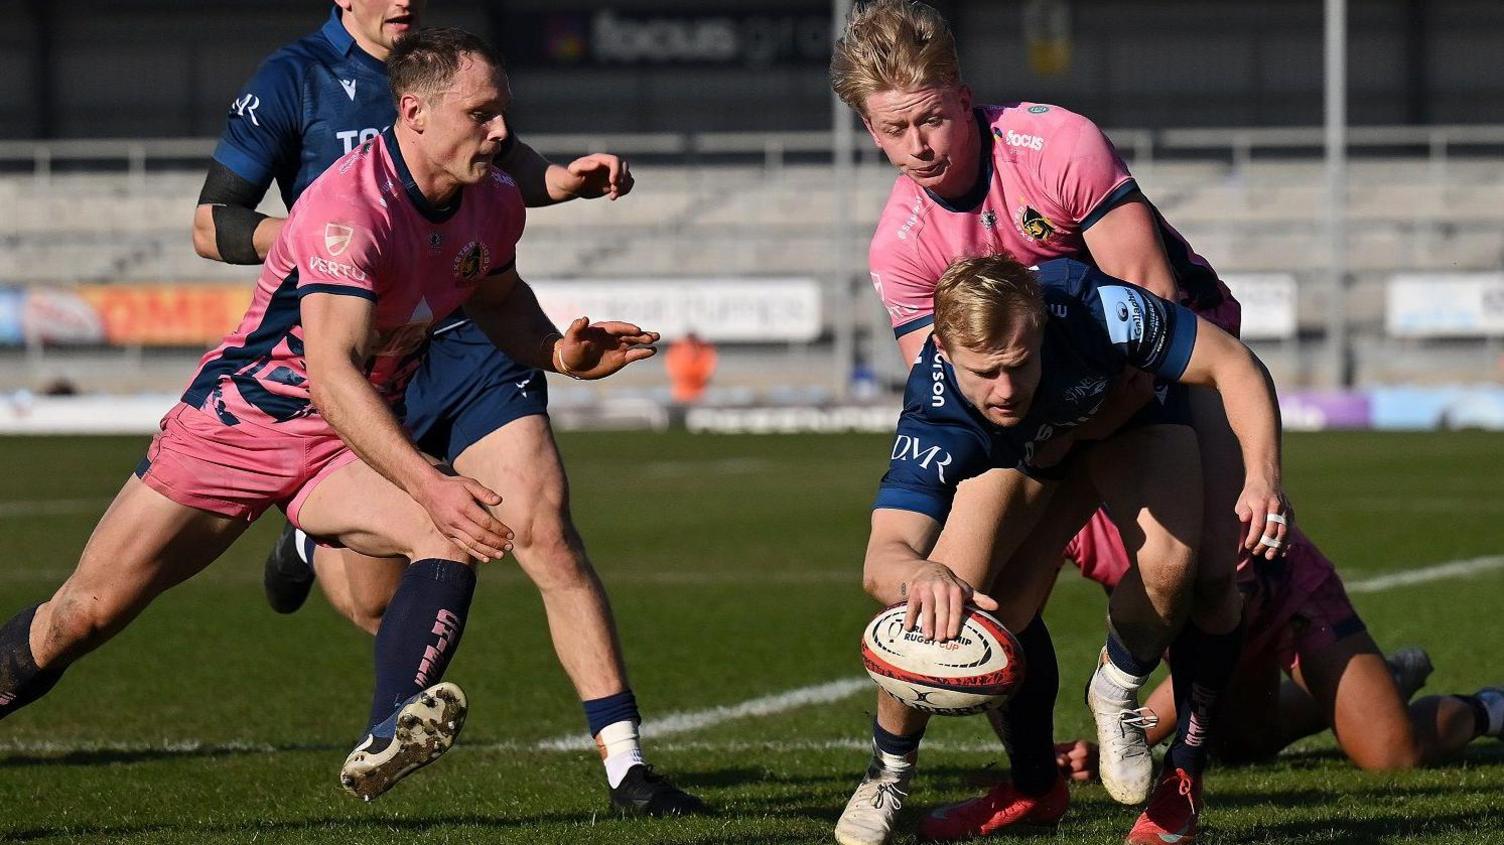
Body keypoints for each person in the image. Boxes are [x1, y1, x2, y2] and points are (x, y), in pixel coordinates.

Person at [0, 28, 662, 806]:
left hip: (336, 442)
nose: (503, 133)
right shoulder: (349, 209)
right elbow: (331, 374)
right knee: (79, 618)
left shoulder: (492, 204)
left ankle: (388, 733)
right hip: (239, 429)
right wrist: (430, 478)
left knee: (452, 527)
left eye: (503, 113)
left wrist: (558, 354)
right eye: (482, 115)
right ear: (413, 113)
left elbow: (495, 298)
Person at [192, 3, 701, 815]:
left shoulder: (454, 71)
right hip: (364, 347)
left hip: (471, 331)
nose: (404, 1)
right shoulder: (295, 79)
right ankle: (312, 527)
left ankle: (627, 766)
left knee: (543, 527)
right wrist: (325, 240)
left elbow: (503, 166)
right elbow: (208, 224)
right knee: (369, 600)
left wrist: (564, 182)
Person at [830, 2, 1293, 840]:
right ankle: (929, 775)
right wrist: (1032, 477)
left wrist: (1245, 469)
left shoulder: (1056, 146)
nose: (919, 146)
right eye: (893, 130)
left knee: (1209, 570)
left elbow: (1153, 306)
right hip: (1037, 404)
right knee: (953, 595)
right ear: (868, 127)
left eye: (931, 117)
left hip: (1153, 365)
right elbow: (961, 396)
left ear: (963, 96)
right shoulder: (900, 246)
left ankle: (1170, 766)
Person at [838, 254, 1289, 845]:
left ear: (1042, 332)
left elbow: (1233, 362)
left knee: (1175, 566)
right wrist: (920, 574)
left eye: (1019, 365)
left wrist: (1263, 476)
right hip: (1034, 450)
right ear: (945, 352)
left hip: (1124, 416)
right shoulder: (936, 411)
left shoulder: (1097, 310)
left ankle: (1117, 687)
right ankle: (889, 770)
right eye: (984, 372)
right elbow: (886, 554)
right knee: (954, 604)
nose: (1003, 389)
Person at [1052, 512, 1504, 776]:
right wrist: (1028, 756)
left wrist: (1124, 740)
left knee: (1392, 753)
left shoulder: (1189, 480)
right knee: (1240, 746)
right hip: (1203, 630)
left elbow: (1218, 637)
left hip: (1288, 601)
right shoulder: (1068, 497)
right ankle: (1378, 680)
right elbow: (1010, 618)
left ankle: (1489, 707)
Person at [664, 331, 718, 404]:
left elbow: (708, 372)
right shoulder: (676, 351)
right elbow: (673, 372)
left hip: (700, 394)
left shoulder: (706, 352)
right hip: (680, 395)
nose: (691, 347)